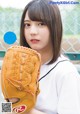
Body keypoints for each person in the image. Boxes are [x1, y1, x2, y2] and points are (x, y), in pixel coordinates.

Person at [6, 0, 80, 114]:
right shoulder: (17, 67)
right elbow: (3, 108)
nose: (32, 31)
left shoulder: (66, 72)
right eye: (27, 25)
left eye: (41, 24)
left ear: (54, 27)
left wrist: (24, 108)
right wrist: (10, 103)